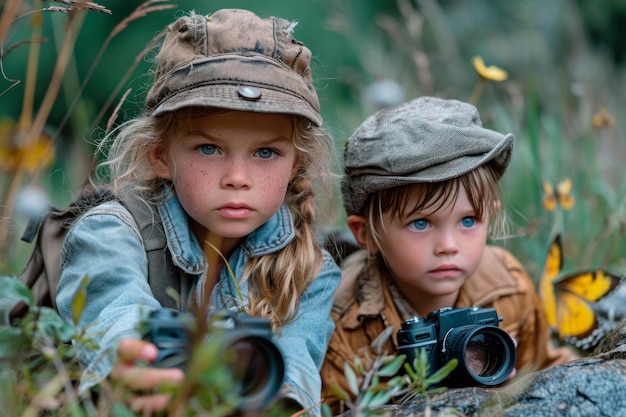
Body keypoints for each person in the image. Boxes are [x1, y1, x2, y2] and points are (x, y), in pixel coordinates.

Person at [55, 9, 340, 416]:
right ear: (160, 157)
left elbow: (294, 374)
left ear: (295, 165)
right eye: (209, 148)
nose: (237, 178)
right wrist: (135, 365)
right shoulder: (110, 233)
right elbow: (115, 317)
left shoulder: (311, 268)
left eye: (265, 153)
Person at [320, 96, 578, 414]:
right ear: (366, 235)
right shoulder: (342, 324)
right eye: (420, 223)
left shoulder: (508, 285)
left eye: (468, 221)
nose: (448, 245)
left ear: (490, 217)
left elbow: (550, 375)